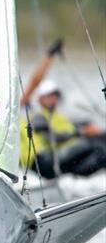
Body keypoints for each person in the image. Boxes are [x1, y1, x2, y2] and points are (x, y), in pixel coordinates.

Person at [19, 39, 105, 179]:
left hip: (56, 159)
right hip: (41, 162)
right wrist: (50, 55)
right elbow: (35, 81)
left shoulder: (58, 116)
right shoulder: (30, 110)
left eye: (55, 95)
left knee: (102, 152)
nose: (53, 99)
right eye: (49, 96)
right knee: (93, 144)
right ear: (40, 98)